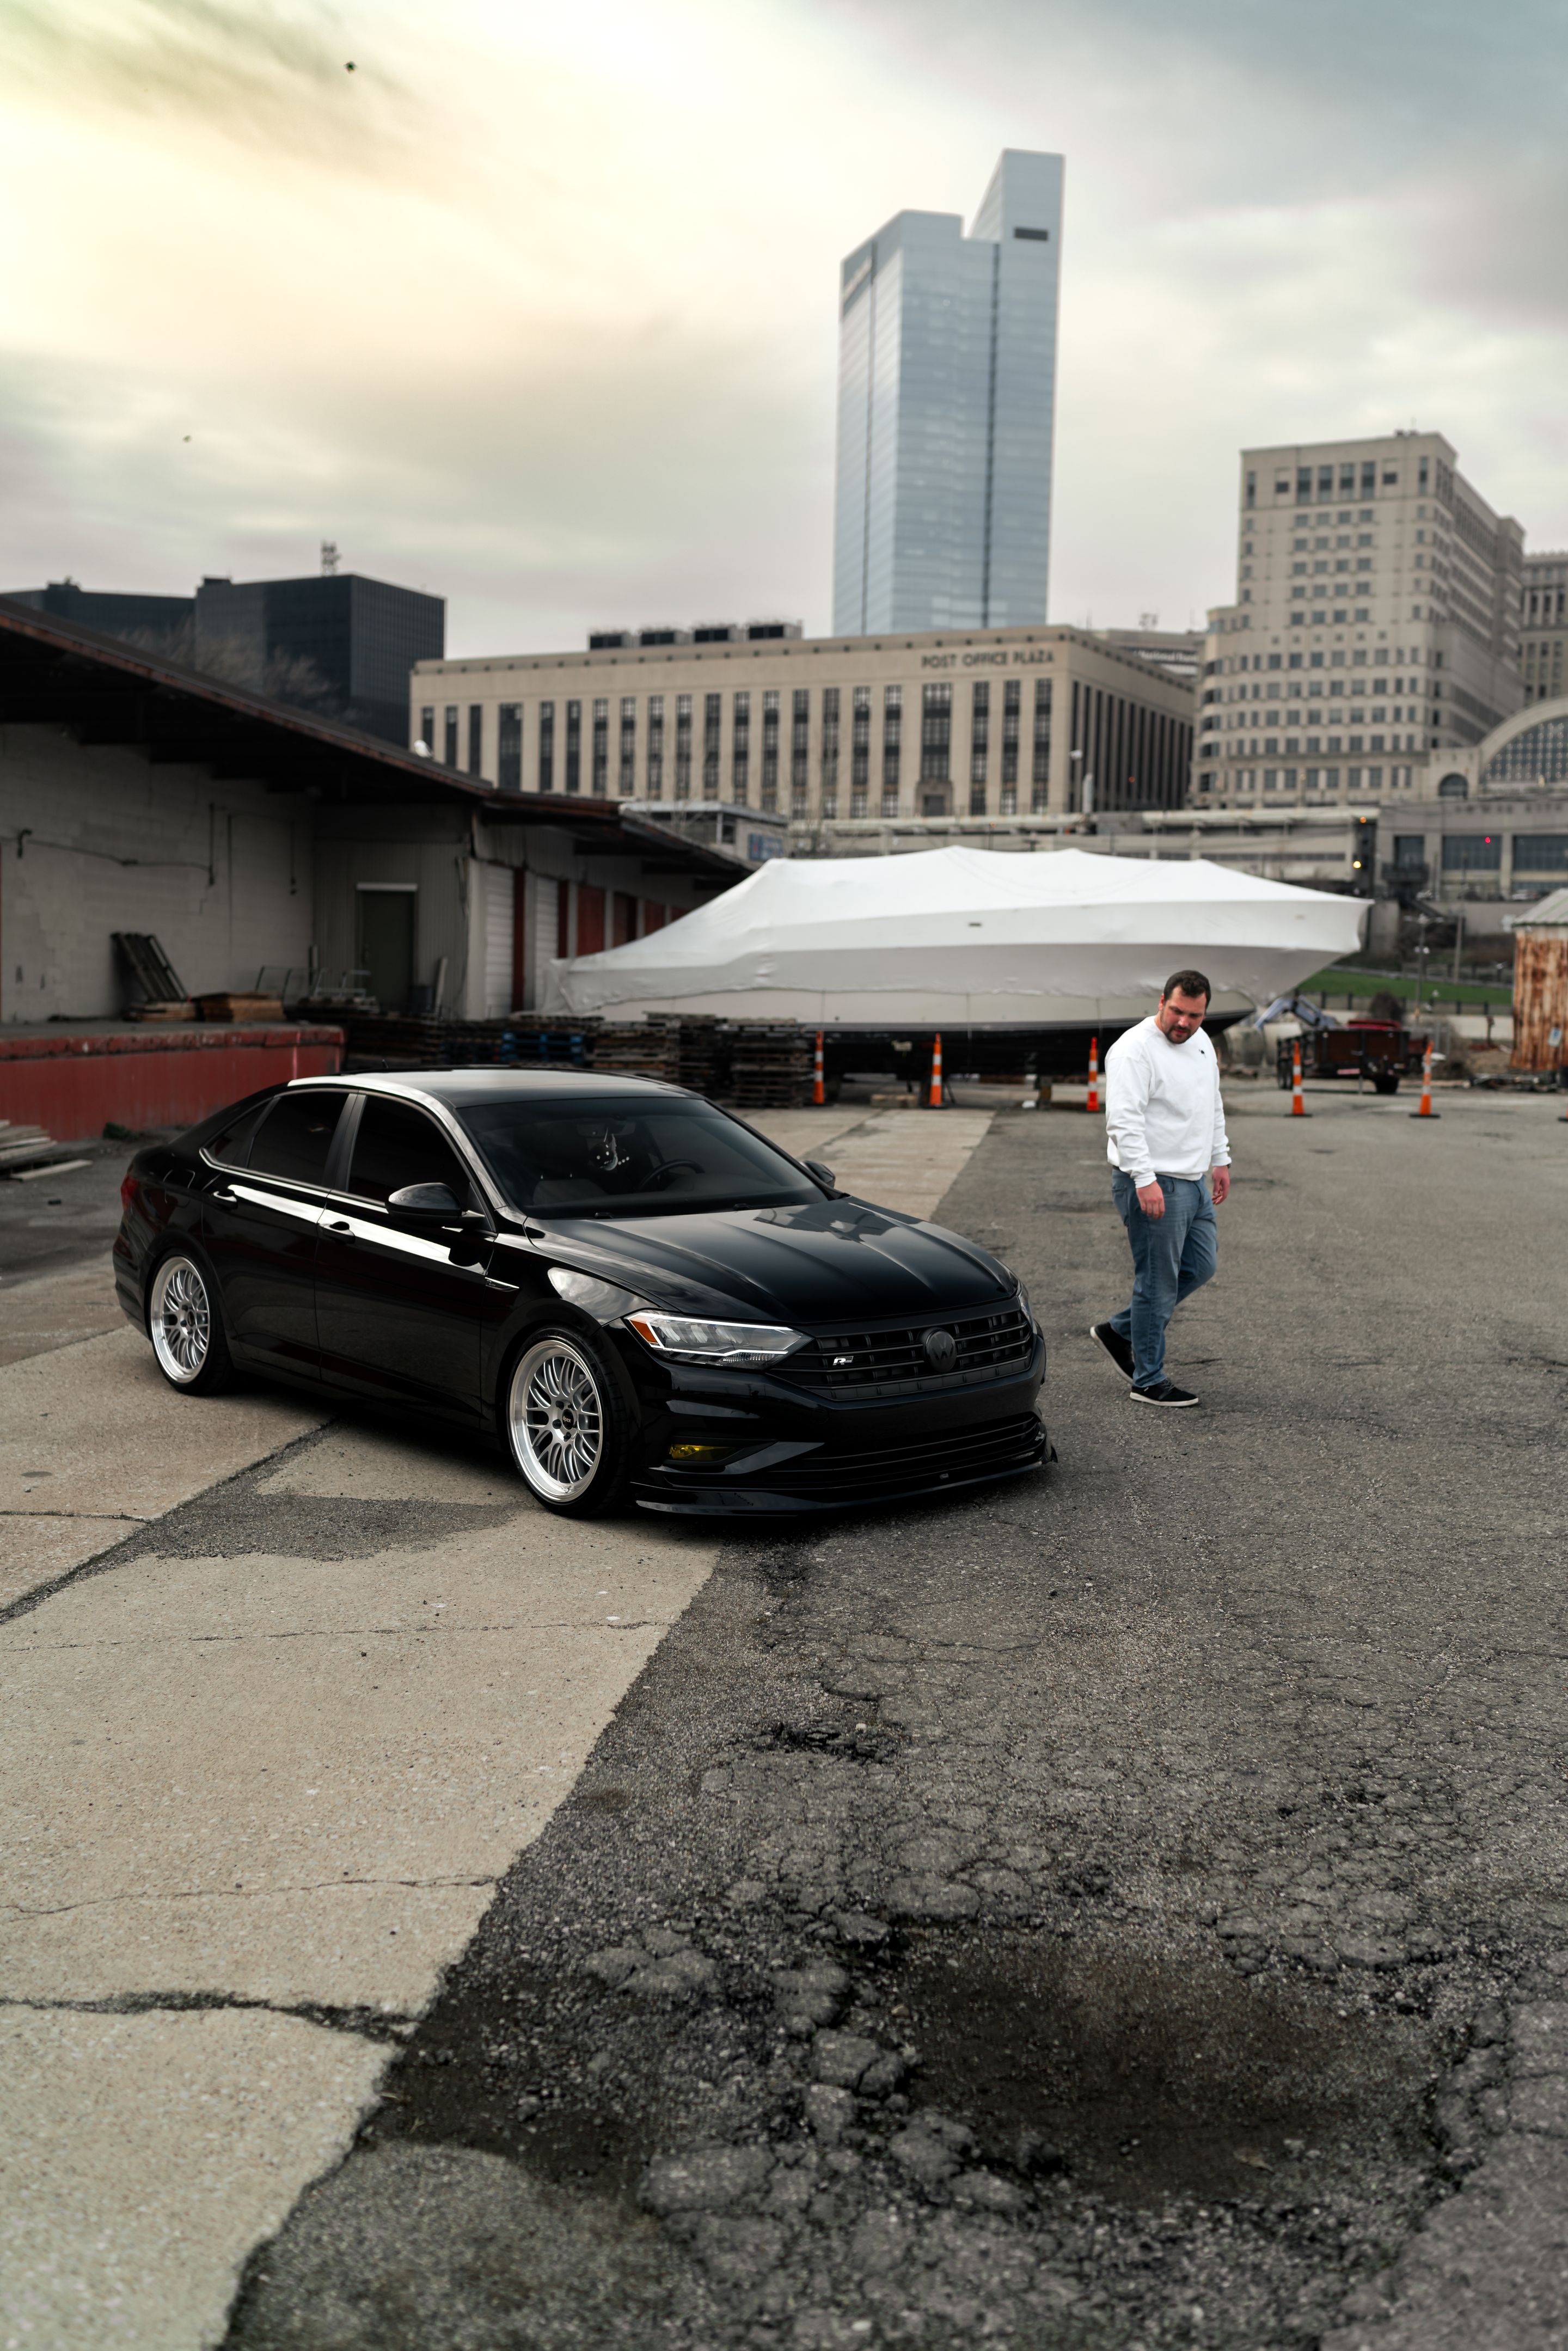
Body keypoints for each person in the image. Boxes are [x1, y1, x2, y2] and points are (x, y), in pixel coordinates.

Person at [1090, 969, 1231, 1407]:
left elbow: (1211, 1102)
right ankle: (1148, 1379)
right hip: (1153, 1182)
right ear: (1160, 1003)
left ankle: (1121, 1331)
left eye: (1195, 1015)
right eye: (1177, 1012)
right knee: (1156, 1281)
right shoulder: (1133, 1050)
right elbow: (1123, 1121)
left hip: (1193, 1180)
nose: (1184, 1023)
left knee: (1201, 1267)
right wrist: (1144, 1179)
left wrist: (1220, 1157)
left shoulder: (1202, 1043)